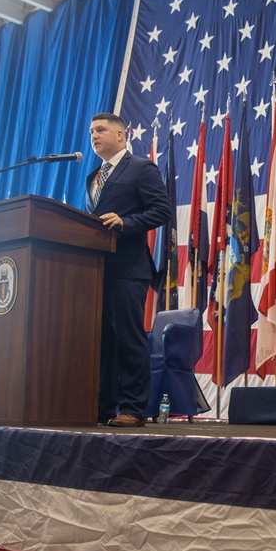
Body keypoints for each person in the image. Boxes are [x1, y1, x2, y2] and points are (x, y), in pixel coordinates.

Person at [86, 113, 172, 427]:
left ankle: (134, 408)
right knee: (104, 343)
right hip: (98, 271)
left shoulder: (141, 168)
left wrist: (126, 222)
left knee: (129, 339)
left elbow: (162, 210)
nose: (94, 135)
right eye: (92, 131)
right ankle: (103, 407)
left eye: (101, 130)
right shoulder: (93, 177)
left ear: (121, 135)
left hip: (128, 269)